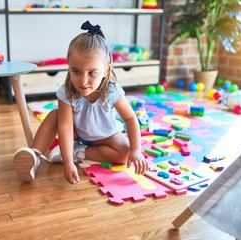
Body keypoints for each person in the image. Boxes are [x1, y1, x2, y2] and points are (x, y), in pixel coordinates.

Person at [13, 21, 148, 185]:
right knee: (55, 115)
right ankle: (34, 155)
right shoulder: (67, 91)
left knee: (125, 152)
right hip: (77, 132)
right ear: (69, 66)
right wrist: (68, 163)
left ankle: (80, 152)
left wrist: (136, 150)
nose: (83, 81)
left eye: (92, 73)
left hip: (106, 136)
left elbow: (130, 119)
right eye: (76, 71)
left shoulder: (112, 90)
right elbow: (66, 127)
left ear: (106, 70)